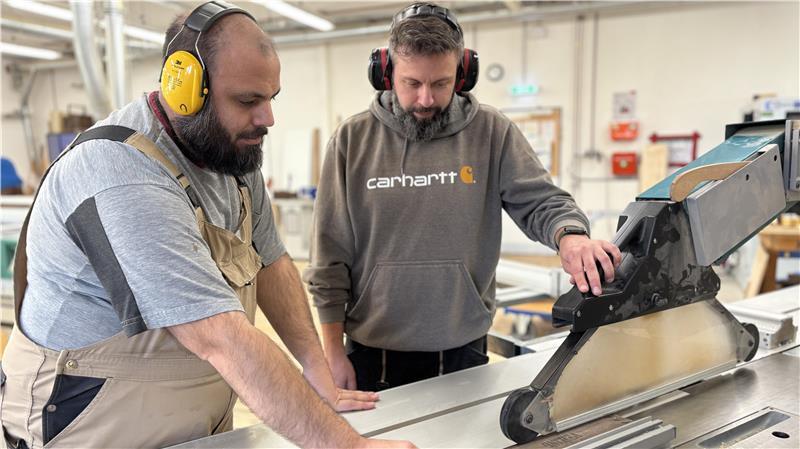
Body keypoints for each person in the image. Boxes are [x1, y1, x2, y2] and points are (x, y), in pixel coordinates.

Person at [0, 2, 414, 448]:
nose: (267, 118)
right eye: (247, 101)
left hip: (192, 423)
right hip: (89, 425)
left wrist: (319, 376)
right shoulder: (120, 171)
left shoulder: (232, 153)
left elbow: (272, 265)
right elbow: (221, 339)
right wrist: (349, 446)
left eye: (270, 98)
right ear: (186, 89)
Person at [304, 2, 622, 392]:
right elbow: (329, 254)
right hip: (372, 351)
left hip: (464, 348)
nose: (425, 99)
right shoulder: (352, 141)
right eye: (412, 83)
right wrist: (331, 352)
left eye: (440, 83)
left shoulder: (492, 132)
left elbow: (541, 201)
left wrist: (570, 236)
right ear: (386, 73)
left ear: (463, 72)